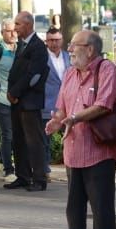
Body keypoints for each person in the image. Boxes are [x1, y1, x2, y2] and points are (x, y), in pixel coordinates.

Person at [45, 30, 116, 229]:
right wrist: (57, 121)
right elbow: (62, 107)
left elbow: (104, 105)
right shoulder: (70, 74)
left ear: (90, 49)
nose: (69, 49)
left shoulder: (107, 70)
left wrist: (75, 118)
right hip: (73, 148)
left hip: (99, 149)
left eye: (73, 45)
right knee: (74, 203)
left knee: (101, 202)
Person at [6, 11, 49, 191]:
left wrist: (15, 92)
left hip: (29, 101)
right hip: (18, 102)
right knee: (19, 140)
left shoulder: (37, 46)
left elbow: (34, 75)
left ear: (29, 25)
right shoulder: (22, 45)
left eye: (18, 24)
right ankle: (23, 176)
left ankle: (39, 179)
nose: (14, 28)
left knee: (34, 141)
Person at [0, 20, 18, 180]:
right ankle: (8, 170)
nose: (13, 33)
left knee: (17, 135)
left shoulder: (20, 49)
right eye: (9, 31)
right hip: (2, 98)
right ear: (2, 32)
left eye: (15, 30)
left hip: (19, 100)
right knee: (7, 134)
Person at [42, 28, 67, 180]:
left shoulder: (69, 57)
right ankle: (45, 170)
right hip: (47, 103)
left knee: (72, 136)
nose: (54, 43)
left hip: (67, 105)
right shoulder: (42, 58)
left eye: (57, 40)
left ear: (62, 40)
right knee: (45, 139)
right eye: (51, 40)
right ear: (46, 41)